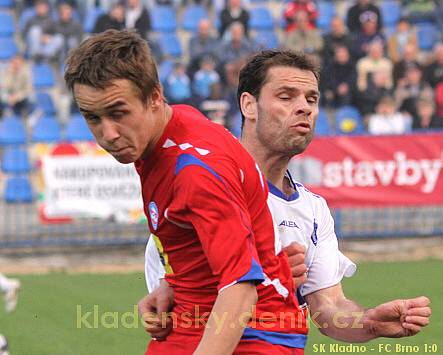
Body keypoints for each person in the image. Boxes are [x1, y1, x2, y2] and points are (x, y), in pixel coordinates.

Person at [142, 49, 431, 347]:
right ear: (248, 105)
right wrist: (267, 277)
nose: (304, 107)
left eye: (312, 99)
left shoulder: (313, 208)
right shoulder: (199, 184)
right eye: (286, 96)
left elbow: (327, 309)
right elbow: (176, 309)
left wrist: (369, 322)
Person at [65, 30, 310, 355]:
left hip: (255, 330)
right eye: (92, 117)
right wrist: (171, 285)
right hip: (192, 318)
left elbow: (241, 288)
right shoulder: (168, 128)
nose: (107, 133)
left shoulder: (194, 173)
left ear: (154, 97)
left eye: (118, 113)